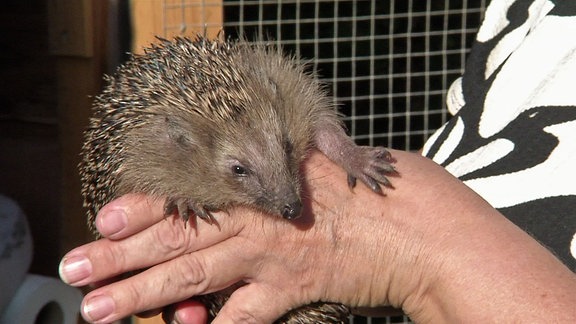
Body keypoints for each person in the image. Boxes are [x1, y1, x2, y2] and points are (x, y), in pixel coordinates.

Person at [59, 0, 576, 323]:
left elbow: (316, 121)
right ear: (180, 145)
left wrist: (419, 251)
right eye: (241, 172)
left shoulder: (279, 93)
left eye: (286, 150)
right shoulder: (163, 152)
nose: (288, 199)